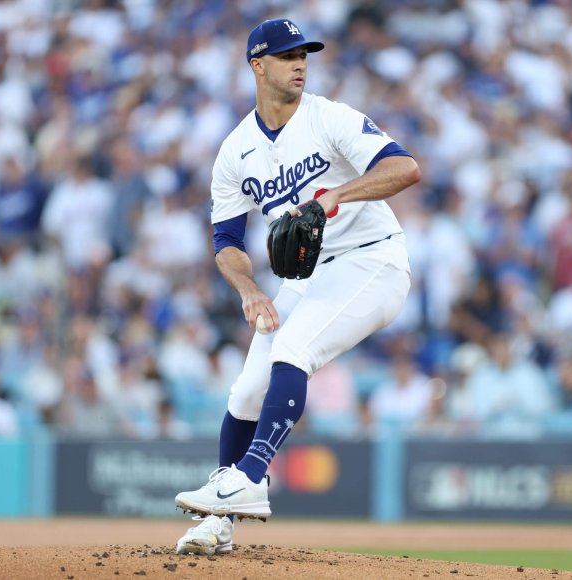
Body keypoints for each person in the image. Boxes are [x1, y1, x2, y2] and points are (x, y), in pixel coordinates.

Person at [173, 18, 420, 556]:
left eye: (303, 54)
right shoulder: (235, 150)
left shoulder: (329, 117)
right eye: (286, 56)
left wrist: (336, 196)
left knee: (293, 348)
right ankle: (220, 515)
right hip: (308, 277)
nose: (300, 63)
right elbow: (226, 241)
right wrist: (248, 290)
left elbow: (405, 168)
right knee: (245, 390)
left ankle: (254, 476)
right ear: (257, 65)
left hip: (372, 259)